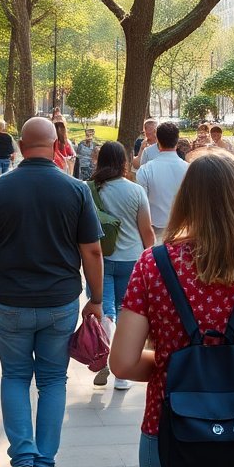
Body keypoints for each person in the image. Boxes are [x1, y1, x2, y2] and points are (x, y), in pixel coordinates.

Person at [110, 151, 234, 467]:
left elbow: (123, 363)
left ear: (186, 198)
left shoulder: (153, 265)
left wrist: (171, 362)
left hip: (169, 434)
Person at [0, 117, 106, 467]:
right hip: (60, 301)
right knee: (51, 381)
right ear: (54, 145)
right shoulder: (76, 190)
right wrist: (95, 299)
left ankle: (22, 465)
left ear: (20, 146)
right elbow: (92, 250)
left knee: (14, 378)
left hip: (10, 301)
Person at [88, 141, 155, 390]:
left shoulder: (88, 190)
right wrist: (152, 256)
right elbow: (146, 229)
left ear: (100, 160)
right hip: (132, 259)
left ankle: (103, 354)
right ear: (124, 162)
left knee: (106, 312)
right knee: (126, 312)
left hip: (100, 259)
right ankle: (122, 374)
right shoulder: (135, 191)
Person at [136, 122, 190, 240]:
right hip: (183, 232)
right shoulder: (190, 169)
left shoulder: (145, 170)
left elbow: (141, 206)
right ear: (177, 141)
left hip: (154, 231)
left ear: (158, 141)